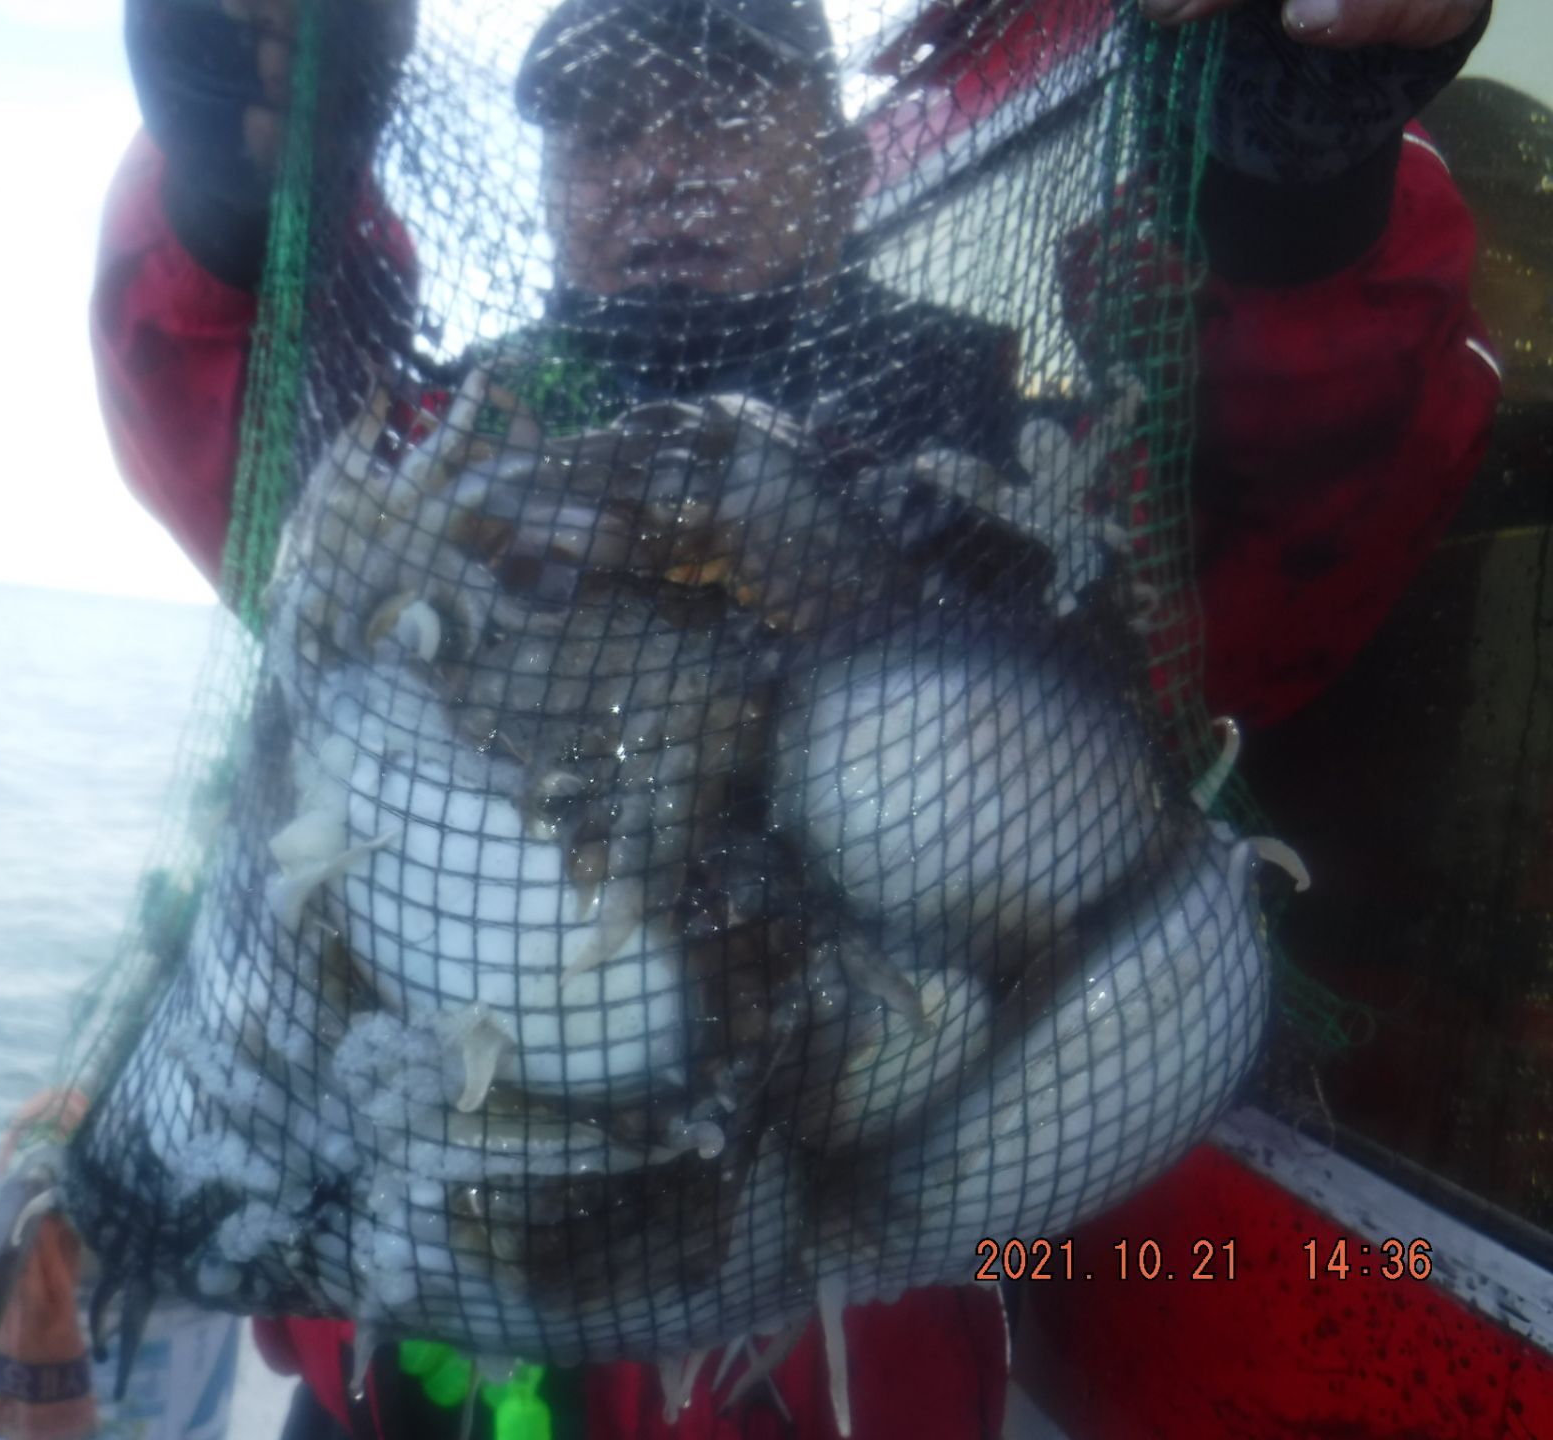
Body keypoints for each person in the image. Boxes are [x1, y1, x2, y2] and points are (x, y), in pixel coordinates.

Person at [89, 0, 1499, 1435]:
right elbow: (227, 408)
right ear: (550, 187)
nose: (659, 169)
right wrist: (224, 204)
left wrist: (1293, 211)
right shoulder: (431, 460)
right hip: (403, 1396)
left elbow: (1280, 526)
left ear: (837, 165)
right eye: (602, 130)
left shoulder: (1014, 482)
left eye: (718, 111)